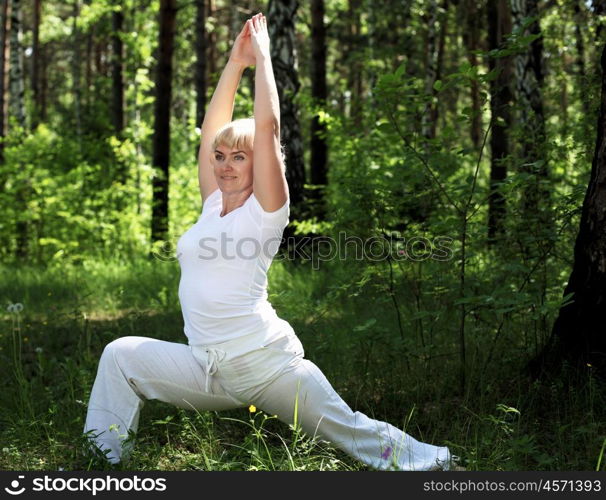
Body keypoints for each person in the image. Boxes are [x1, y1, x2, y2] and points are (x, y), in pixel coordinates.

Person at [83, 13, 460, 471]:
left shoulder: (265, 213)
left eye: (238, 158)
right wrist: (234, 62)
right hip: (206, 367)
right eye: (220, 157)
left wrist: (262, 58)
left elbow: (268, 128)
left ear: (259, 165)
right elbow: (210, 131)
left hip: (266, 366)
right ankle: (101, 463)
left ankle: (438, 467)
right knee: (119, 354)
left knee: (351, 430)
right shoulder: (210, 206)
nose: (224, 165)